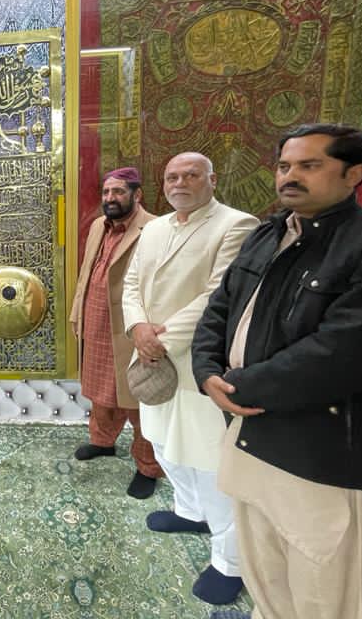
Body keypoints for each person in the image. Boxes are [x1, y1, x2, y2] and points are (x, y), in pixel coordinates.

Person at [191, 124, 362, 619]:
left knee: (331, 594)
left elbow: (340, 356)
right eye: (284, 166)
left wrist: (234, 385)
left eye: (310, 165)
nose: (290, 176)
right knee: (267, 574)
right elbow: (220, 308)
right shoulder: (269, 235)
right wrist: (205, 369)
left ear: (353, 174)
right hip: (253, 436)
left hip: (325, 456)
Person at [121, 152, 258, 605]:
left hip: (197, 362)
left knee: (207, 460)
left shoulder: (236, 225)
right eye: (172, 176)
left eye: (191, 175)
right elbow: (132, 284)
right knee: (163, 444)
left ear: (212, 180)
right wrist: (138, 328)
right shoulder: (154, 228)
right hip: (151, 359)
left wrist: (160, 340)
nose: (180, 182)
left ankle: (229, 562)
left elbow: (219, 296)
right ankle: (190, 511)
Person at [70, 166, 163, 499]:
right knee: (101, 393)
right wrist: (77, 312)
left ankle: (148, 467)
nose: (110, 198)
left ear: (137, 195)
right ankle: (103, 442)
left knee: (138, 399)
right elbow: (86, 272)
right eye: (107, 192)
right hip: (96, 320)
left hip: (130, 326)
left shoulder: (156, 228)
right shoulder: (99, 225)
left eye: (119, 192)